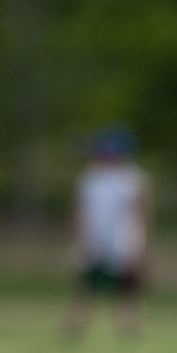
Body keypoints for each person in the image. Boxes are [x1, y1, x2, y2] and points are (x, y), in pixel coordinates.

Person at [63, 126, 151, 339]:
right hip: (93, 242)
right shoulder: (91, 179)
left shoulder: (133, 179)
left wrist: (139, 245)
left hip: (123, 243)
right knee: (87, 287)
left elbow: (140, 214)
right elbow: (81, 212)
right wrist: (82, 238)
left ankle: (129, 330)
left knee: (126, 290)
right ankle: (74, 329)